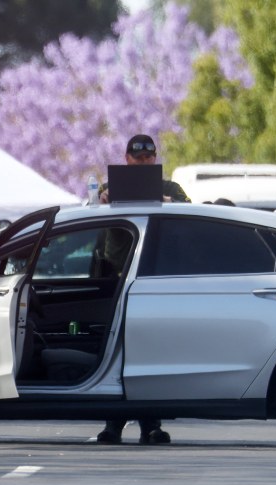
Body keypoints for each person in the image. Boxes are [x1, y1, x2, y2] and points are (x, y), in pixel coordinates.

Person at [96, 133, 189, 445]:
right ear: (127, 158)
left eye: (149, 157)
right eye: (137, 157)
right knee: (117, 352)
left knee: (148, 354)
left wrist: (168, 204)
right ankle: (113, 424)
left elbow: (188, 213)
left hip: (154, 277)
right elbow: (93, 221)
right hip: (118, 275)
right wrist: (103, 201)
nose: (143, 162)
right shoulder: (111, 188)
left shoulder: (169, 188)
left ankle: (151, 425)